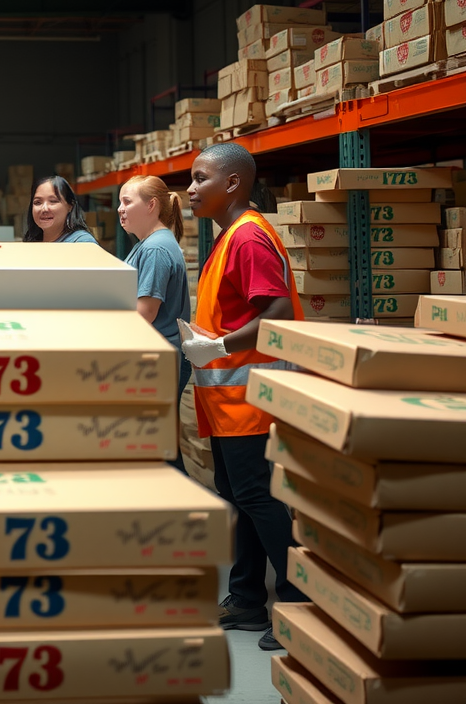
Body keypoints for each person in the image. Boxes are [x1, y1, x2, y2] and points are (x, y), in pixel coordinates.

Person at [180, 142, 306, 651]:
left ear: (232, 183)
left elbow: (276, 311)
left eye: (200, 178)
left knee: (261, 499)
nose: (190, 189)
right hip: (229, 400)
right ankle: (248, 598)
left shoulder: (248, 237)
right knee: (240, 499)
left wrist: (217, 345)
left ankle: (298, 603)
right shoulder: (229, 236)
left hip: (251, 399)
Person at [117, 175, 191, 471]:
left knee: (160, 450)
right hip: (160, 356)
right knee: (160, 446)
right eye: (119, 203)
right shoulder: (151, 243)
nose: (120, 209)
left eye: (127, 202)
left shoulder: (155, 249)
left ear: (151, 205)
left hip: (159, 358)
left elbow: (145, 312)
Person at [22, 175, 98, 243]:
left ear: (70, 206)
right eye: (38, 202)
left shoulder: (82, 242)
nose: (44, 209)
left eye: (53, 201)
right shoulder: (32, 242)